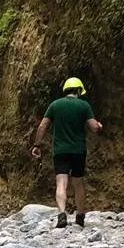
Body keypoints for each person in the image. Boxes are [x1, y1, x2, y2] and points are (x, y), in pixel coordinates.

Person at [30, 77, 103, 228]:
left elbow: (43, 126)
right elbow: (94, 128)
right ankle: (80, 216)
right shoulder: (84, 105)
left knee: (61, 183)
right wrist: (99, 126)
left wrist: (37, 145)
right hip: (78, 150)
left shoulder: (55, 105)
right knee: (78, 183)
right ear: (78, 90)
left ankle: (62, 214)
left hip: (60, 150)